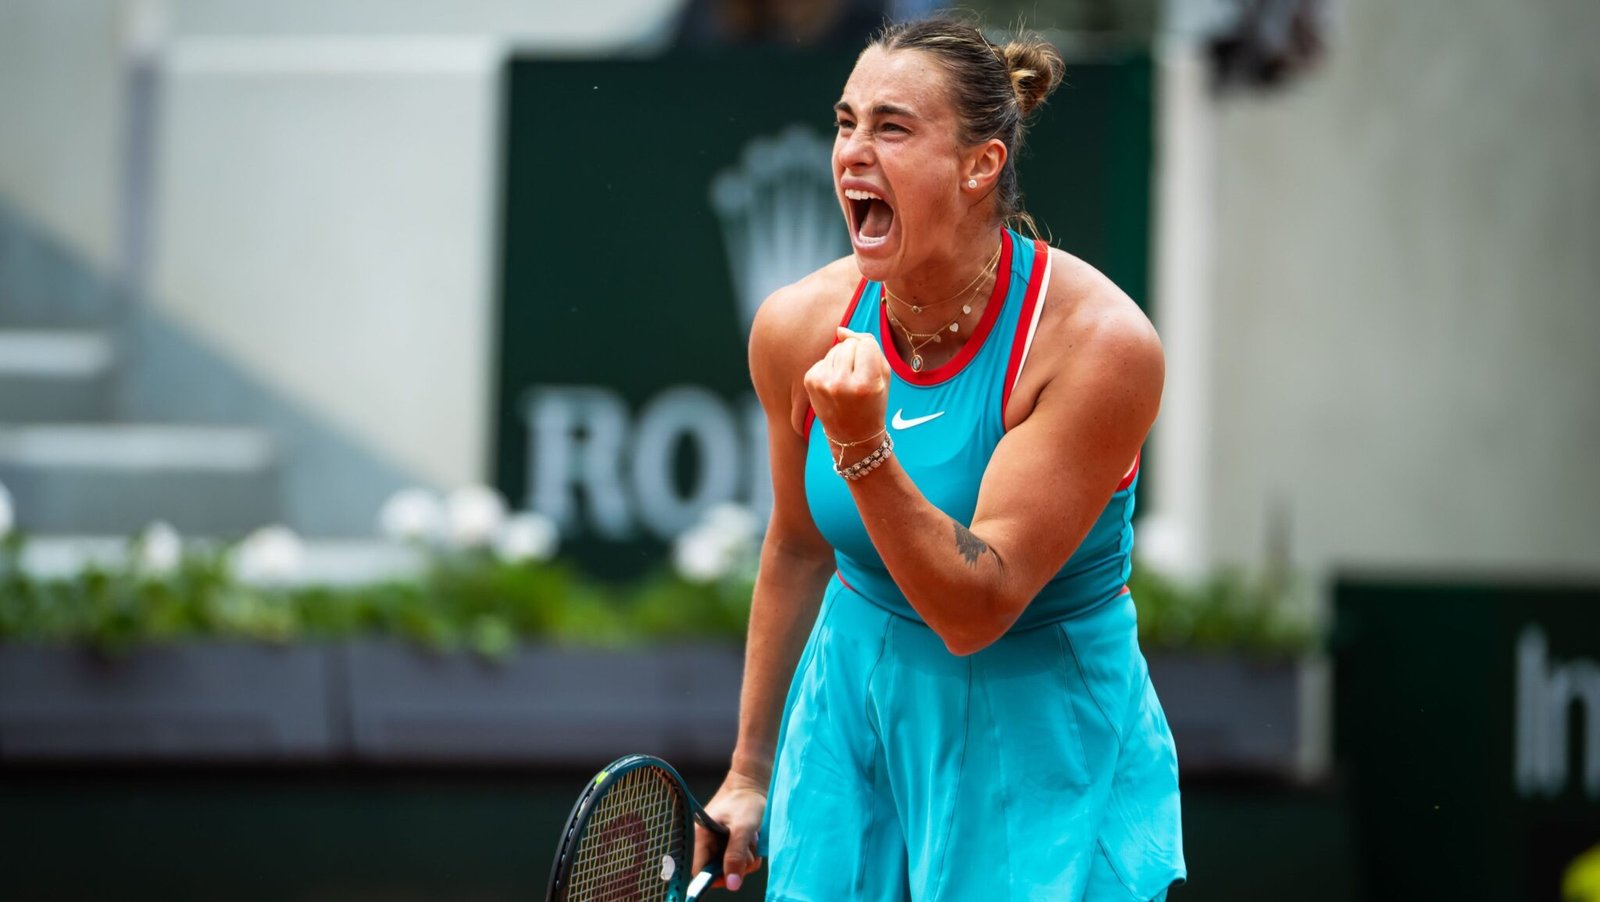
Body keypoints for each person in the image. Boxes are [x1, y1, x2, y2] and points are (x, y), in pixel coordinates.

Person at [694, 13, 1187, 901]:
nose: (851, 151)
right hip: (854, 720)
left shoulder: (1098, 346)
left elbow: (978, 605)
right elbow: (801, 546)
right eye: (845, 123)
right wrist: (750, 770)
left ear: (980, 164)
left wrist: (862, 446)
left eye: (891, 127)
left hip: (1038, 731)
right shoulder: (797, 327)